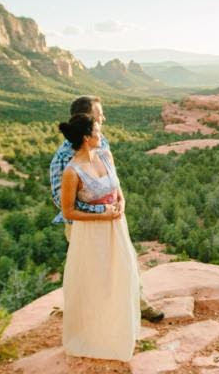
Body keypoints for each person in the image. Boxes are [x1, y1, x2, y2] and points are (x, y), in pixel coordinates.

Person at [49, 95, 163, 322]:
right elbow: (60, 200)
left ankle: (139, 305)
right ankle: (84, 315)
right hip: (83, 226)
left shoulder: (102, 142)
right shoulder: (63, 158)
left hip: (112, 219)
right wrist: (100, 212)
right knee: (89, 272)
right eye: (99, 115)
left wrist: (120, 200)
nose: (104, 118)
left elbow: (112, 177)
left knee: (126, 262)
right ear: (87, 120)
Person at [58, 113, 141, 361]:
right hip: (91, 233)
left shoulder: (105, 155)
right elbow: (68, 211)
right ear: (86, 137)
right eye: (97, 131)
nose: (101, 134)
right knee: (94, 282)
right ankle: (93, 337)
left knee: (122, 276)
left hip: (117, 227)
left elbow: (117, 188)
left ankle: (119, 334)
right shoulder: (72, 172)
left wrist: (122, 203)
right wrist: (101, 216)